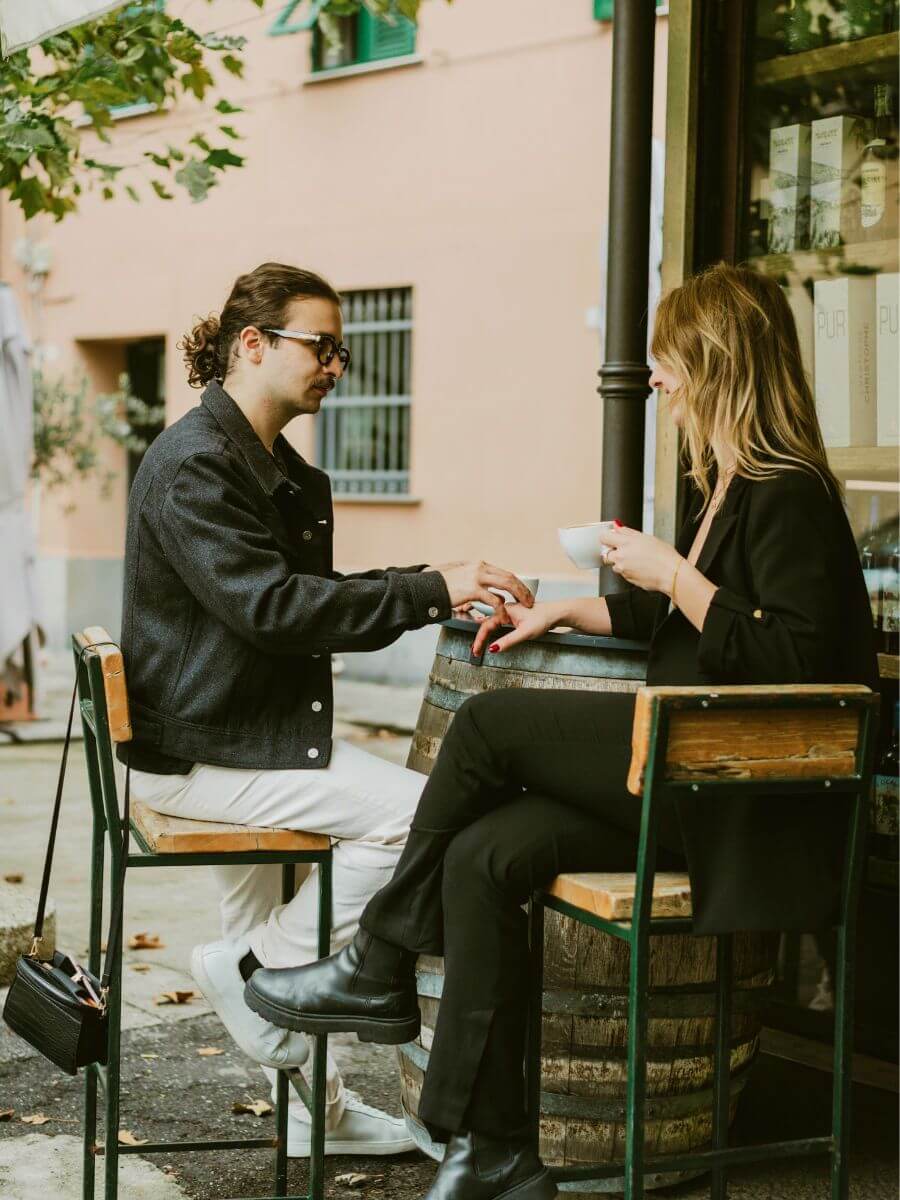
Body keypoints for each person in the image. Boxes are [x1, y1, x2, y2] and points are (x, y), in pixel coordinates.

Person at [244, 261, 879, 1199]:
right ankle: (492, 1148)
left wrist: (673, 573)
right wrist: (567, 612)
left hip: (739, 801)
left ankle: (378, 959)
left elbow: (790, 659)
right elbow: (683, 623)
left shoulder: (792, 494)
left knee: (489, 725)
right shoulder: (728, 485)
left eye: (667, 359)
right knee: (483, 856)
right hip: (685, 786)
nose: (654, 378)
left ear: (717, 361)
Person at [118, 262, 532, 1158]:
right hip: (206, 751)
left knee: (270, 914)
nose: (337, 366)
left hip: (238, 733)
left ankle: (318, 1114)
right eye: (323, 346)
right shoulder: (196, 465)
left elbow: (303, 594)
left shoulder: (266, 464)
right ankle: (252, 972)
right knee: (419, 817)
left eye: (342, 351)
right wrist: (431, 588)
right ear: (252, 343)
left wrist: (432, 584)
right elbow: (274, 610)